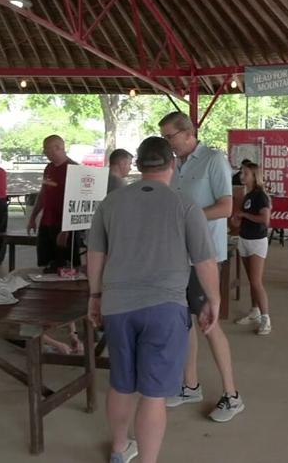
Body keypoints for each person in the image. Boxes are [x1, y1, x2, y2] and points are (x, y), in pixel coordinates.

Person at [86, 136, 221, 463]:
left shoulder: (111, 203)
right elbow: (205, 261)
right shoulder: (185, 204)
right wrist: (213, 300)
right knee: (153, 394)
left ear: (138, 165)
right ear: (172, 164)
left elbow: (95, 253)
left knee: (121, 384)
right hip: (165, 308)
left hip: (117, 305)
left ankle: (119, 450)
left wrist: (94, 295)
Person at [158, 112, 244, 423]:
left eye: (170, 137)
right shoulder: (174, 165)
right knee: (184, 322)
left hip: (204, 256)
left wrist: (186, 218)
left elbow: (226, 207)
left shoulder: (213, 160)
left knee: (209, 323)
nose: (168, 143)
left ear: (188, 133)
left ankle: (232, 395)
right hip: (177, 256)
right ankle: (190, 385)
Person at [231, 162, 273, 335]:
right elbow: (243, 219)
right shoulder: (247, 195)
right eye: (242, 173)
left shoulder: (261, 196)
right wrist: (237, 220)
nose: (242, 176)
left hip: (257, 241)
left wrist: (244, 215)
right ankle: (254, 310)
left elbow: (265, 220)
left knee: (256, 282)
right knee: (252, 281)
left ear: (254, 176)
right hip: (245, 239)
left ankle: (266, 318)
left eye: (246, 173)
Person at [27, 135, 79, 273]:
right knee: (45, 263)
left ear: (58, 147)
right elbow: (43, 193)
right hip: (46, 222)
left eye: (47, 148)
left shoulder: (74, 169)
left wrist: (67, 229)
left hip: (63, 225)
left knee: (64, 266)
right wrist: (33, 218)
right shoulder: (49, 167)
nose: (44, 152)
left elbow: (78, 201)